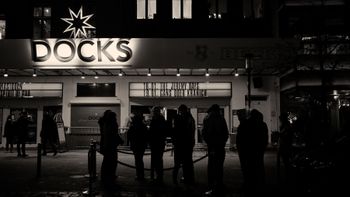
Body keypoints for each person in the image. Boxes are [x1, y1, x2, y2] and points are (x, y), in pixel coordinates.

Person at [238, 109, 268, 194]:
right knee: (259, 168)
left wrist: (241, 151)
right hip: (258, 151)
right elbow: (265, 139)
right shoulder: (262, 125)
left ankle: (248, 186)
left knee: (248, 170)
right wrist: (262, 149)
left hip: (247, 152)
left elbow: (240, 140)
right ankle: (260, 185)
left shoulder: (245, 124)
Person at [202, 104, 229, 196]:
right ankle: (219, 184)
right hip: (220, 146)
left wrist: (210, 143)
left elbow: (205, 134)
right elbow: (226, 133)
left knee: (212, 167)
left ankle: (212, 187)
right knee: (219, 166)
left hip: (213, 146)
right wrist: (223, 142)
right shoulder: (222, 119)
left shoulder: (207, 119)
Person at [98, 110, 124, 190]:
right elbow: (114, 134)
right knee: (111, 163)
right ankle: (110, 180)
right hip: (111, 146)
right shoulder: (112, 124)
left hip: (107, 146)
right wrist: (120, 140)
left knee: (106, 162)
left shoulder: (105, 123)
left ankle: (105, 178)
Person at [172, 104, 196, 186]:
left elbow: (176, 131)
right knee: (187, 163)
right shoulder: (190, 118)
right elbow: (191, 131)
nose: (180, 112)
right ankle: (188, 179)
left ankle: (178, 180)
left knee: (179, 163)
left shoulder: (181, 119)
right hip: (187, 144)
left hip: (181, 144)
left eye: (180, 111)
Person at [148, 106, 167, 184]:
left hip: (156, 142)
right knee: (157, 160)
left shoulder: (157, 119)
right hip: (158, 142)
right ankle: (157, 176)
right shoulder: (160, 119)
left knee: (156, 160)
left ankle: (157, 177)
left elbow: (153, 131)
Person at [127, 112, 148, 181]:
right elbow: (146, 136)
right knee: (140, 160)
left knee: (137, 160)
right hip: (141, 145)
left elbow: (129, 135)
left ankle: (138, 174)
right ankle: (141, 174)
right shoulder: (143, 126)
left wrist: (130, 143)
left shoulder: (133, 127)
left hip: (135, 145)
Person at [277, 112, 294, 180]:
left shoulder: (287, 125)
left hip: (285, 144)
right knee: (285, 160)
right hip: (283, 144)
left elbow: (285, 134)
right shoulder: (286, 124)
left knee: (286, 160)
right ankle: (286, 175)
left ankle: (287, 175)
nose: (280, 120)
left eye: (280, 119)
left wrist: (279, 134)